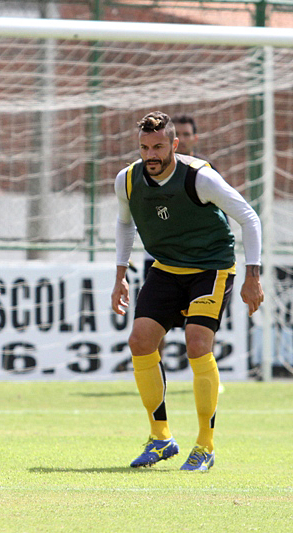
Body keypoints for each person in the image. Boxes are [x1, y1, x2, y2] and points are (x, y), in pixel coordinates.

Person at [111, 111, 263, 472]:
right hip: (166, 268)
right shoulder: (128, 180)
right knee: (140, 342)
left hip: (210, 268)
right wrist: (119, 276)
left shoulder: (200, 178)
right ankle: (160, 437)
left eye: (159, 147)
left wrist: (252, 276)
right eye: (145, 147)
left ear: (175, 145)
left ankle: (205, 447)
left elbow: (249, 218)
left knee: (197, 344)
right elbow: (123, 224)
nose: (151, 155)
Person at [143, 114, 209, 355]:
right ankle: (157, 373)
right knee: (154, 323)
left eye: (187, 134)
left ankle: (206, 375)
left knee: (201, 325)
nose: (182, 138)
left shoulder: (205, 172)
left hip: (199, 260)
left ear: (192, 139)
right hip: (161, 258)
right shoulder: (151, 171)